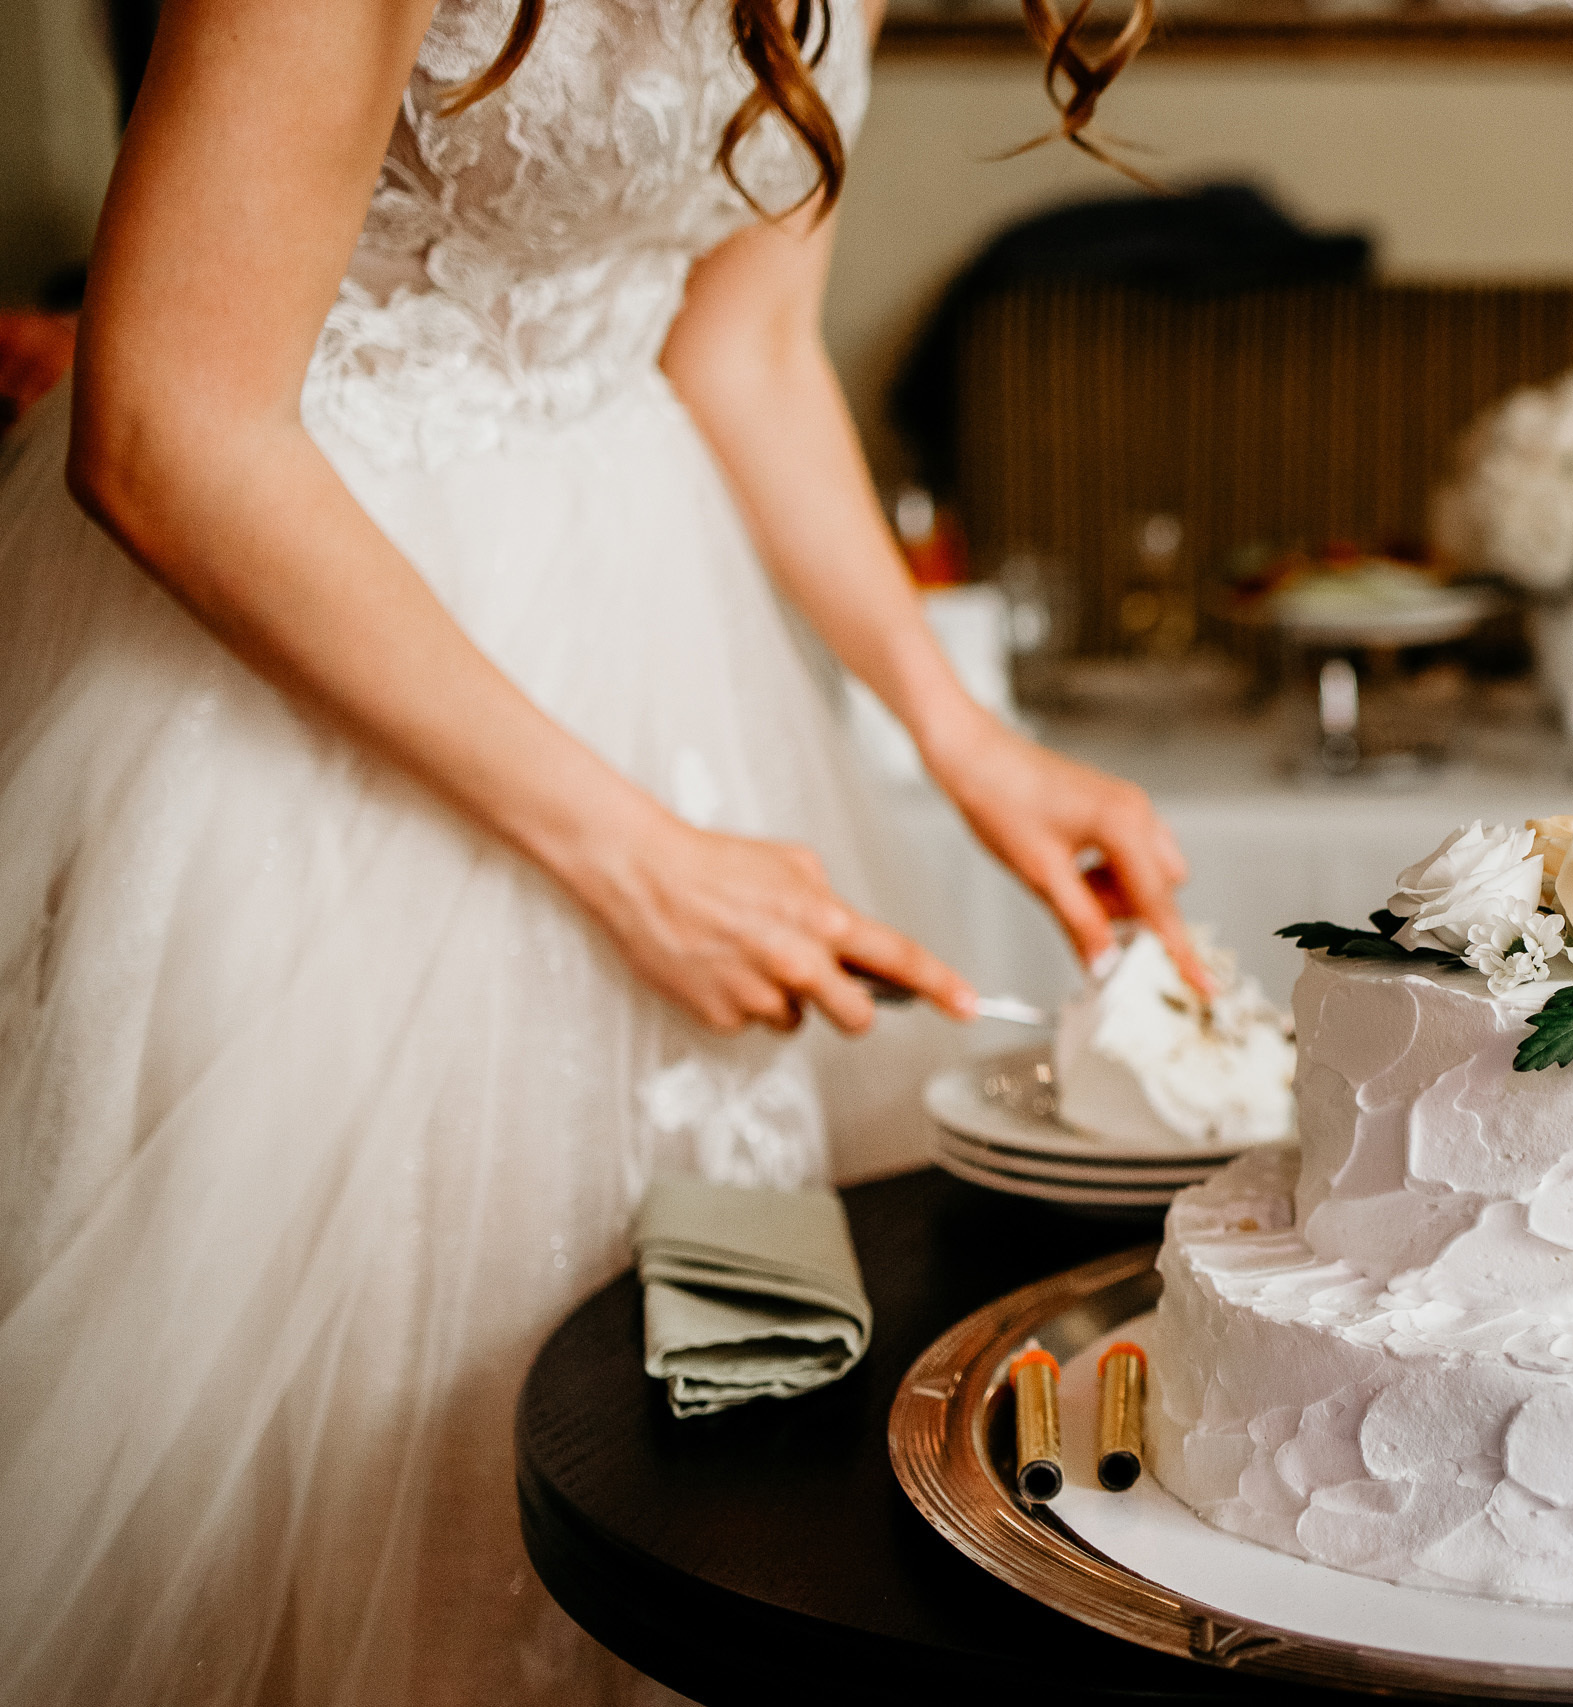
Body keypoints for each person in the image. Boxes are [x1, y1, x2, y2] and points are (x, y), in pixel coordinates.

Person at [0, 0, 1187, 1700]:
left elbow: (737, 350)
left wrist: (956, 726)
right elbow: (169, 427)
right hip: (300, 663)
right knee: (357, 1441)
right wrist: (638, 858)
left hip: (655, 624)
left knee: (706, 1427)